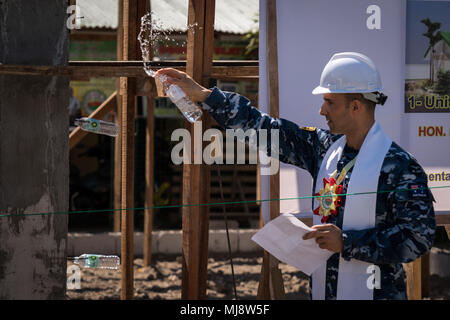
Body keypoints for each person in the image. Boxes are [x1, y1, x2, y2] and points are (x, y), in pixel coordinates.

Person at [155, 52, 436, 300]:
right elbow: (264, 129)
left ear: (356, 106)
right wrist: (205, 96)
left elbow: (418, 238)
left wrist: (348, 243)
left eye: (330, 102)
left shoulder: (400, 167)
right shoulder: (324, 148)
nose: (321, 110)